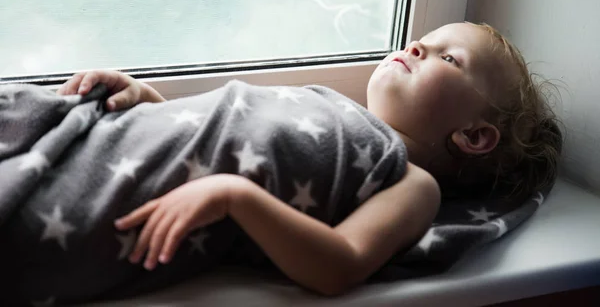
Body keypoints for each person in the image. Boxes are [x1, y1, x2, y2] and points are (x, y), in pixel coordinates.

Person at [4, 22, 560, 303]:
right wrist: (148, 97)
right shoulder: (335, 105)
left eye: (448, 57)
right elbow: (216, 130)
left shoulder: (411, 183)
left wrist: (234, 196)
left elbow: (341, 265)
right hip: (116, 140)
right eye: (423, 39)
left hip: (129, 193)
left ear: (475, 136)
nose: (416, 47)